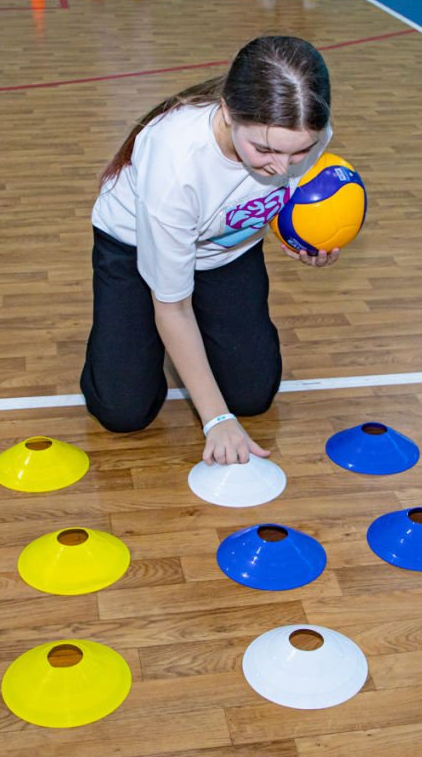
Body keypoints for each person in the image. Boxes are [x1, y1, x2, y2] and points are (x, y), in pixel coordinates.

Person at [81, 36, 339, 464]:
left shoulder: (307, 128)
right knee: (123, 411)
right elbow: (173, 308)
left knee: (252, 397)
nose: (281, 166)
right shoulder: (176, 161)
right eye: (265, 150)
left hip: (228, 250)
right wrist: (216, 420)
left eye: (299, 152)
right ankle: (129, 335)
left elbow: (288, 193)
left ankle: (196, 339)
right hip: (135, 246)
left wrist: (307, 236)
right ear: (228, 112)